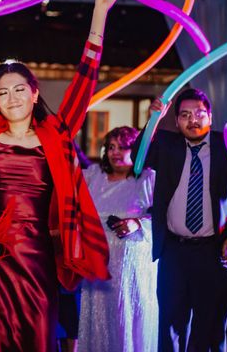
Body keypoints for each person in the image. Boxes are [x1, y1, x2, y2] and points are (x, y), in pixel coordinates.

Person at [0, 0, 126, 352]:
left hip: (37, 261)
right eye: (2, 92)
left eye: (19, 88)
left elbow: (86, 77)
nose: (11, 96)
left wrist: (100, 10)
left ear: (35, 94)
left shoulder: (58, 133)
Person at [131, 88, 227, 352]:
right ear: (176, 120)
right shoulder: (168, 145)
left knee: (212, 329)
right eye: (184, 115)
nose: (192, 120)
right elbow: (139, 156)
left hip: (213, 252)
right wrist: (154, 120)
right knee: (170, 327)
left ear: (210, 116)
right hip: (174, 252)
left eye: (199, 114)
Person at [78, 126, 158, 352]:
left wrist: (137, 223)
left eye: (122, 147)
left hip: (133, 270)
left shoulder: (147, 179)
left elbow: (165, 219)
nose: (114, 152)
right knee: (98, 323)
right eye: (111, 147)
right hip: (98, 266)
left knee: (128, 322)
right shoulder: (93, 176)